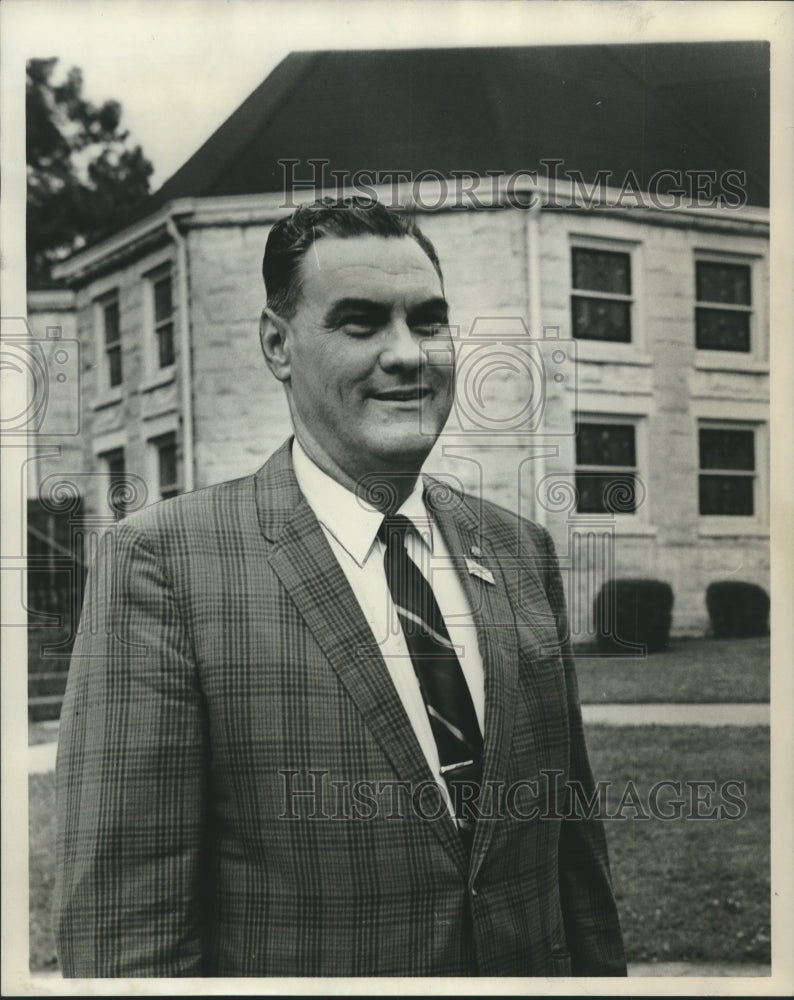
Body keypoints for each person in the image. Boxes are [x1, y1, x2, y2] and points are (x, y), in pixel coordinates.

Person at [54, 197, 626, 978]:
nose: (408, 355)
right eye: (360, 323)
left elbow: (575, 867)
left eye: (427, 321)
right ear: (277, 345)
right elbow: (124, 935)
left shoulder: (518, 550)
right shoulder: (162, 566)